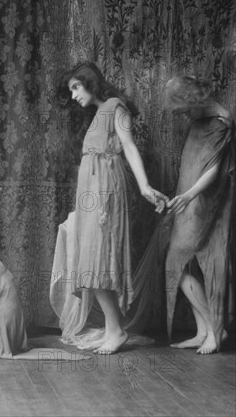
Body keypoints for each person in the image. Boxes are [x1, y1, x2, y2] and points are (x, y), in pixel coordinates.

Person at [50, 62, 167, 355]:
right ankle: (114, 329)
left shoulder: (116, 106)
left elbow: (128, 147)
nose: (74, 95)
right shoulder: (95, 116)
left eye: (77, 87)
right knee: (91, 260)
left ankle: (116, 331)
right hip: (91, 191)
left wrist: (144, 187)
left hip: (106, 190)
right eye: (71, 90)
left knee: (100, 258)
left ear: (90, 82)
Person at [163, 75, 234, 354]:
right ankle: (204, 330)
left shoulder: (220, 122)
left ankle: (217, 329)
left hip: (206, 202)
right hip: (190, 198)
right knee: (185, 265)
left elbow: (213, 169)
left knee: (177, 262)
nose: (182, 116)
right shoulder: (200, 118)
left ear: (193, 100)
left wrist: (189, 195)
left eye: (183, 109)